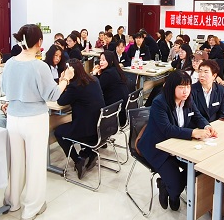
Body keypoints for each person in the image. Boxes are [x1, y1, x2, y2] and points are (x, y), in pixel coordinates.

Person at [2, 24, 74, 220]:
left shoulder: (9, 63)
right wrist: (66, 79)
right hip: (34, 120)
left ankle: (13, 201)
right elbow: (53, 94)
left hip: (13, 119)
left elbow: (5, 88)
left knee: (16, 162)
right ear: (39, 42)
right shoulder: (39, 66)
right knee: (35, 163)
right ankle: (31, 208)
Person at [138, 70, 217, 211]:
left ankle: (168, 184)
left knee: (200, 169)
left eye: (188, 86)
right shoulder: (159, 102)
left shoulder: (188, 99)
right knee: (176, 185)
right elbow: (167, 129)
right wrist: (193, 133)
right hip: (158, 148)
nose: (185, 91)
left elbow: (197, 116)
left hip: (178, 145)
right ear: (171, 87)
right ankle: (168, 187)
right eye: (181, 87)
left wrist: (207, 126)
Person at [55, 58, 105, 179]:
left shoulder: (75, 87)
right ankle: (89, 153)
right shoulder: (94, 79)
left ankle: (78, 160)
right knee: (80, 120)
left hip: (87, 131)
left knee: (58, 132)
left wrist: (63, 81)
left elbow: (60, 101)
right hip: (100, 127)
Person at [92, 50, 129, 125]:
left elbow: (97, 89)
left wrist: (94, 74)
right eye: (100, 60)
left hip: (114, 112)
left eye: (104, 60)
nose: (101, 62)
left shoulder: (108, 73)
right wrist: (99, 74)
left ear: (110, 61)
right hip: (121, 109)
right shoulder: (115, 69)